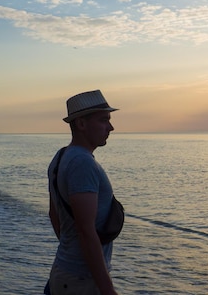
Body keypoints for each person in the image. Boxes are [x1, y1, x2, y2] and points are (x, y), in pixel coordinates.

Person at [47, 90, 120, 295]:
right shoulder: (82, 163)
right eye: (104, 120)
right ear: (81, 124)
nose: (111, 127)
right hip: (81, 281)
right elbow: (86, 231)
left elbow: (54, 215)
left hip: (67, 272)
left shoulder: (61, 157)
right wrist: (107, 290)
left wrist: (71, 251)